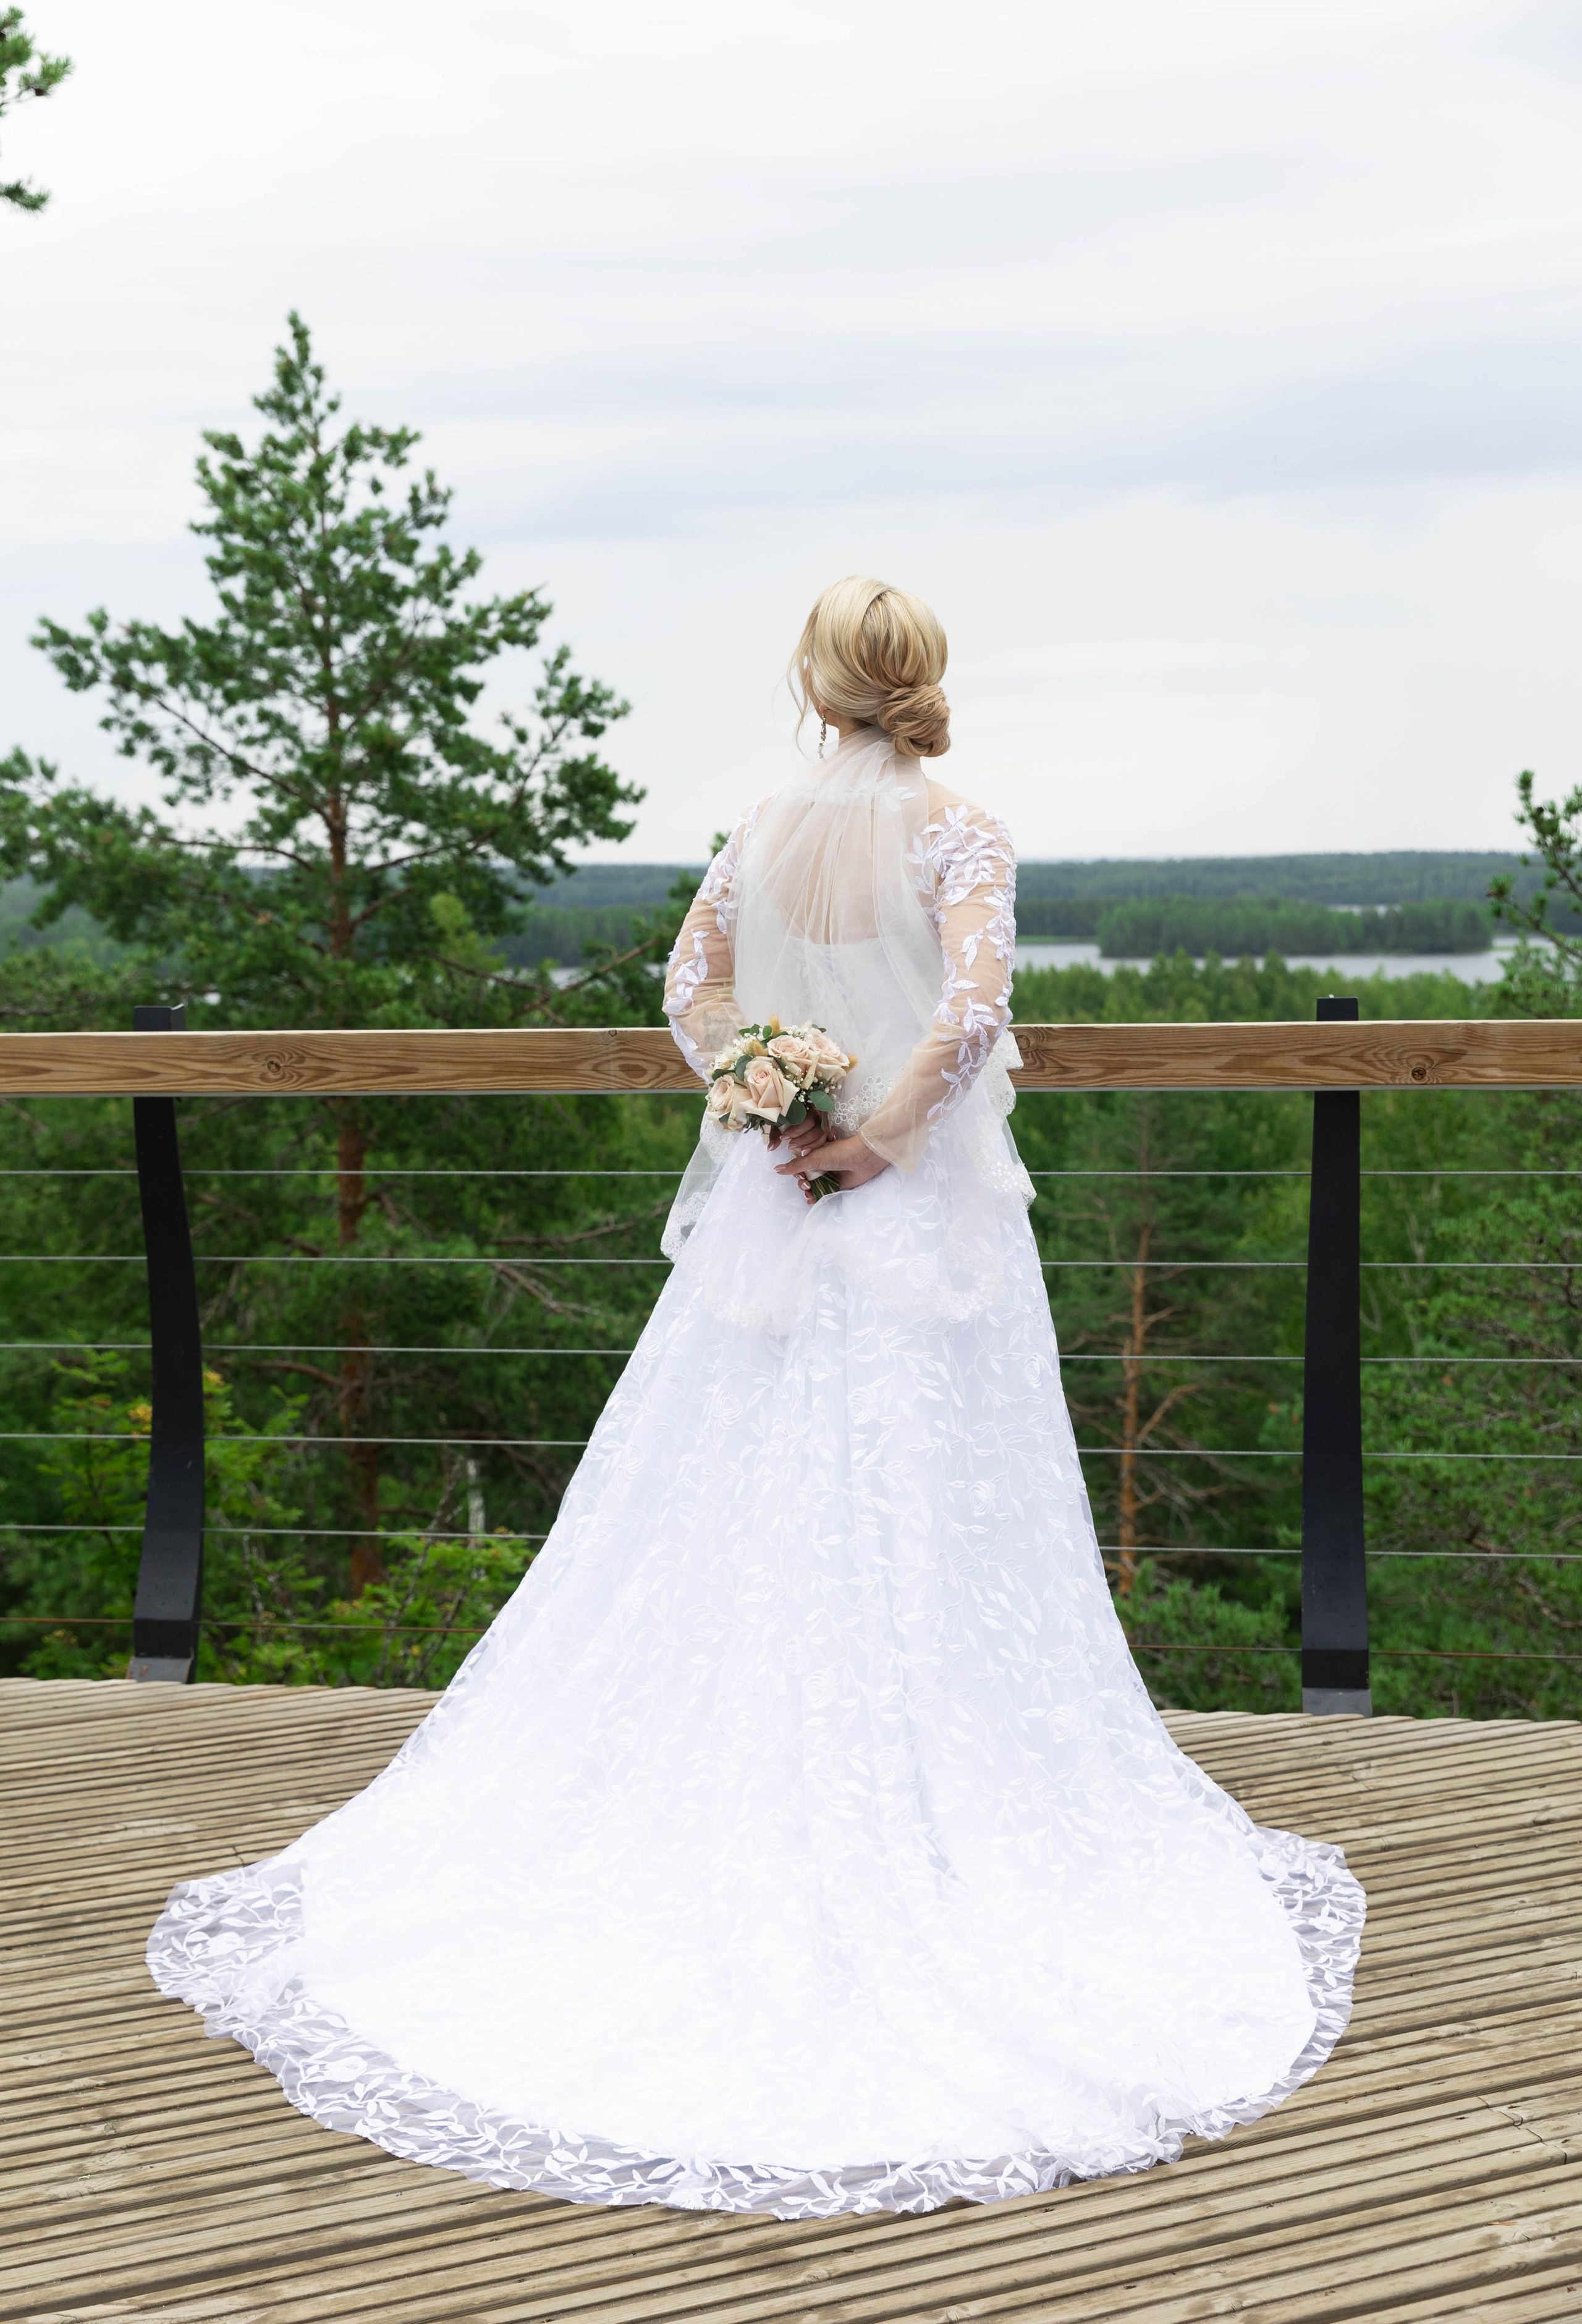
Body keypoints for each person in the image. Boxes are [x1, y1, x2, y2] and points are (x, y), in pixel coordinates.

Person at [148, 575, 1363, 2221]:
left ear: (817, 682)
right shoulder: (963, 834)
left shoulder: (760, 832)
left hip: (772, 1203)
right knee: (935, 1498)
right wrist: (876, 1141)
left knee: (737, 1485)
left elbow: (690, 989)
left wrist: (770, 1102)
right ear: (922, 680)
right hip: (912, 1213)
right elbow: (975, 1011)